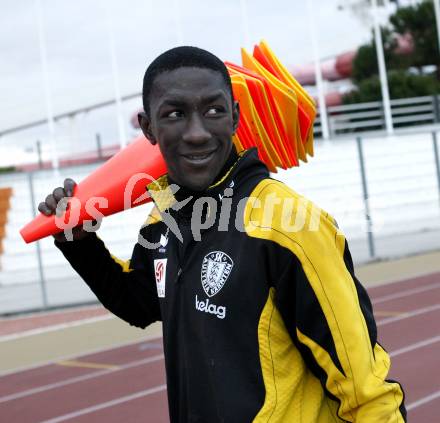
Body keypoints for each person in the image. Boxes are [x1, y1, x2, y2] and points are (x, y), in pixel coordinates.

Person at [39, 46, 406, 422]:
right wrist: (78, 242)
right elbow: (138, 304)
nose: (197, 133)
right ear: (148, 128)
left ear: (235, 117)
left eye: (213, 110)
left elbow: (367, 391)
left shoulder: (290, 225)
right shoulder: (164, 216)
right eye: (175, 114)